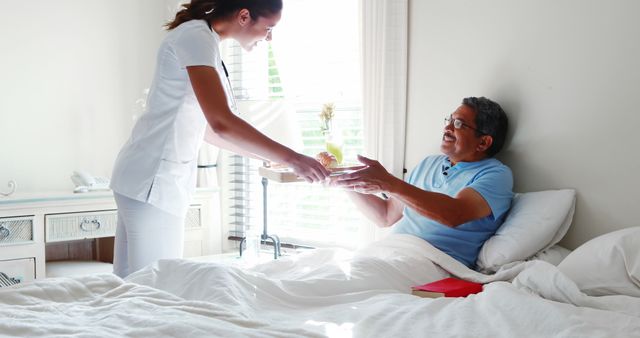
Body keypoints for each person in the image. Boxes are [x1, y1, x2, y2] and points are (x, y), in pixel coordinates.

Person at [110, 0, 329, 278]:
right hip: (153, 179)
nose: (269, 37)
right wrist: (293, 158)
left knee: (130, 285)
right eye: (269, 27)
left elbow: (208, 130)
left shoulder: (204, 39)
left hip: (144, 175)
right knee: (154, 285)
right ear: (244, 16)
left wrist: (267, 157)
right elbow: (221, 122)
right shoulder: (195, 37)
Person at [331, 97, 513, 269]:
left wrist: (389, 183)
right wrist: (342, 180)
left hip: (434, 263)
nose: (447, 127)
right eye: (449, 120)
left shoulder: (496, 175)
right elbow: (385, 216)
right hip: (391, 252)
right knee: (330, 273)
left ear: (483, 142)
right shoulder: (428, 163)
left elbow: (454, 214)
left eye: (458, 124)